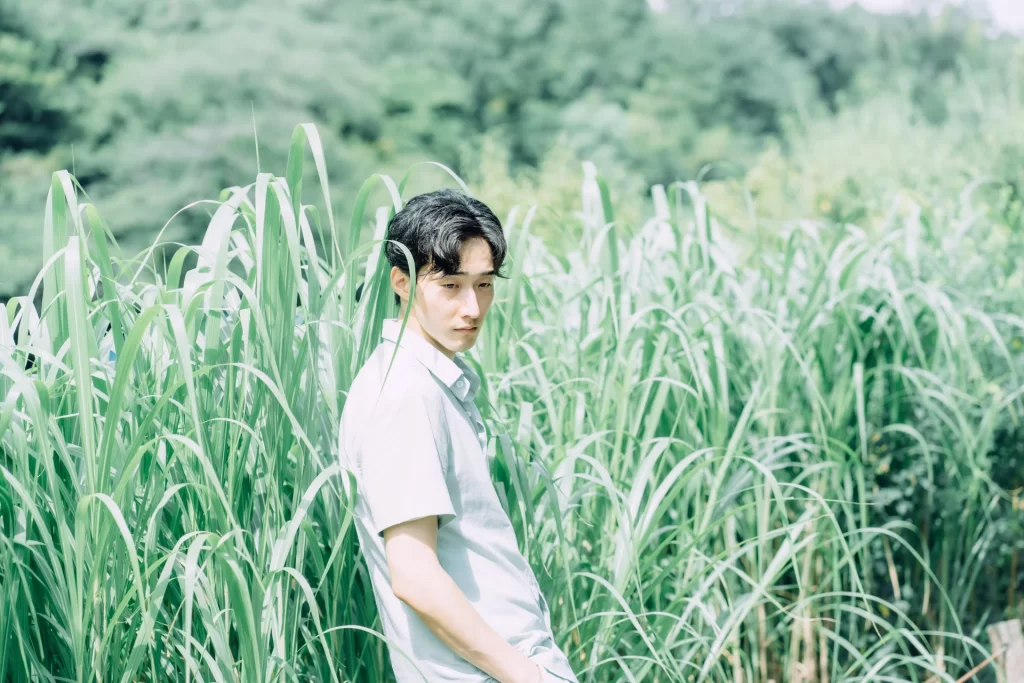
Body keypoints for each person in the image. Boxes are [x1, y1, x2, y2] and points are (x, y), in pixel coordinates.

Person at [339, 189, 579, 682]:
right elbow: (415, 575)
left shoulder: (427, 383)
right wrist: (527, 676)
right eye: (451, 285)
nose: (473, 307)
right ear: (402, 282)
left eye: (484, 284)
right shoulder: (405, 394)